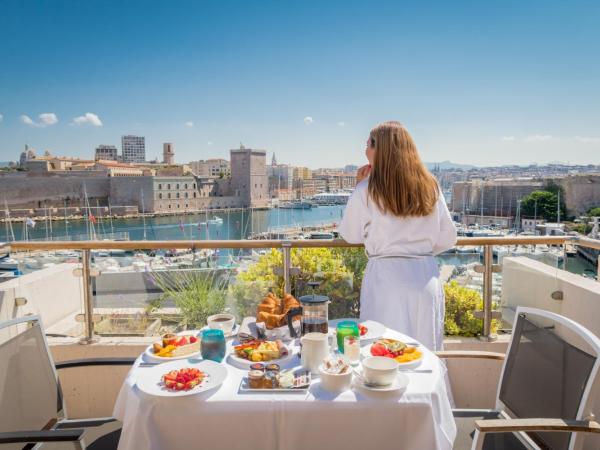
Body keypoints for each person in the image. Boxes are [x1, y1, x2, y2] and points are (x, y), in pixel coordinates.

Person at [338, 121, 457, 350]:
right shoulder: (430, 186)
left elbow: (351, 235)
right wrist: (418, 252)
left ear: (379, 149)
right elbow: (448, 237)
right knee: (425, 356)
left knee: (380, 353)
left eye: (368, 145)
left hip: (385, 281)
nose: (365, 151)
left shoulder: (366, 189)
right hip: (425, 278)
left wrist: (358, 186)